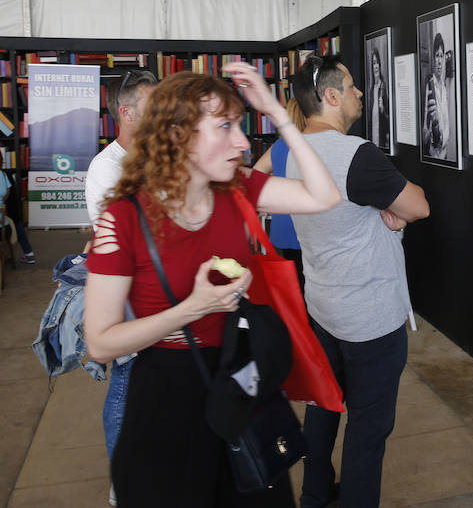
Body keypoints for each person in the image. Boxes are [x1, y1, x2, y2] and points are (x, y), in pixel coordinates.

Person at [83, 65, 341, 507]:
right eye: (224, 127)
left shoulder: (237, 188)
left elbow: (324, 196)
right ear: (177, 135)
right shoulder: (122, 219)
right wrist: (193, 307)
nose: (242, 142)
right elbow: (101, 343)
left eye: (240, 125)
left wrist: (277, 113)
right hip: (167, 395)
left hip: (238, 379)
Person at [288, 54, 430, 508]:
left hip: (323, 307)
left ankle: (314, 496)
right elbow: (419, 206)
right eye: (351, 86)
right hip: (369, 318)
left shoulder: (296, 152)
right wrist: (392, 212)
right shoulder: (356, 155)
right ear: (331, 96)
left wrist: (385, 211)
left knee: (323, 407)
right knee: (368, 429)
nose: (360, 93)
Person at [84, 68, 157, 507]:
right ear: (126, 113)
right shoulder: (106, 168)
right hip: (128, 299)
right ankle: (123, 479)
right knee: (127, 384)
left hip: (159, 293)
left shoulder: (154, 156)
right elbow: (132, 238)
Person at [253, 97, 306, 282]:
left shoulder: (279, 146)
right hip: (308, 228)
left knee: (295, 285)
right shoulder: (311, 147)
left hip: (282, 227)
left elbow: (255, 174)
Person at [421, 33, 454, 160]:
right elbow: (424, 136)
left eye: (441, 56)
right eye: (437, 55)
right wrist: (429, 120)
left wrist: (443, 139)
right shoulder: (429, 85)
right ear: (433, 59)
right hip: (432, 155)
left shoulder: (444, 88)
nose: (439, 61)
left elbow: (447, 123)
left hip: (444, 154)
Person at [0, 153, 34, 263]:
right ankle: (28, 252)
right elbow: (7, 193)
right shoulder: (4, 174)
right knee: (15, 225)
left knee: (14, 225)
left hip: (8, 211)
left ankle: (27, 253)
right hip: (8, 210)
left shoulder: (4, 175)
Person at [369, 47, 389, 148]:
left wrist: (383, 110)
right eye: (373, 63)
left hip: (382, 141)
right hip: (372, 141)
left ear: (380, 65)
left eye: (377, 63)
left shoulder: (383, 87)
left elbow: (389, 117)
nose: (376, 66)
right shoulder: (371, 90)